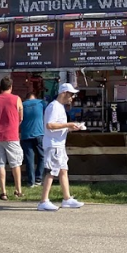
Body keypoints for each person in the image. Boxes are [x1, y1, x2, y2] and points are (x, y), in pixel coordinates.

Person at [37, 83, 86, 211]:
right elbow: (50, 125)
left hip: (59, 144)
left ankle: (67, 198)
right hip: (53, 145)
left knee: (63, 170)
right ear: (63, 93)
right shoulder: (54, 107)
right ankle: (43, 200)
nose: (72, 97)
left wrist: (70, 128)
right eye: (71, 94)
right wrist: (68, 124)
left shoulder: (59, 107)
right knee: (51, 171)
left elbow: (57, 126)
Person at [0, 77, 24, 199]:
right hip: (12, 135)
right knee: (15, 164)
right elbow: (21, 117)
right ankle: (18, 190)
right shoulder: (16, 99)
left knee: (0, 164)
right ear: (11, 86)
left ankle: (3, 191)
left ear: (0, 87)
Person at [20, 78, 47, 188]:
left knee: (29, 159)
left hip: (25, 135)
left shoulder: (21, 105)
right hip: (39, 134)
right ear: (35, 97)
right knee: (42, 156)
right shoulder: (41, 103)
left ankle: (30, 182)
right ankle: (38, 179)